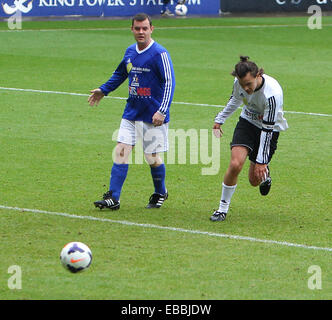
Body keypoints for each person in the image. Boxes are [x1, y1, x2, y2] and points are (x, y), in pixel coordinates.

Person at [88, 13, 175, 211]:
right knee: (121, 150)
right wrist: (104, 90)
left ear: (152, 29)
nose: (141, 32)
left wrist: (162, 111)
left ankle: (160, 191)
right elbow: (121, 73)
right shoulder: (130, 52)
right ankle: (113, 197)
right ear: (132, 30)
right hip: (131, 113)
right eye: (137, 28)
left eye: (145, 28)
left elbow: (170, 83)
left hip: (154, 117)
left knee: (152, 158)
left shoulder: (160, 53)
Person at [210, 56, 288, 222]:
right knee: (235, 163)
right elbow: (235, 100)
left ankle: (265, 174)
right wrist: (219, 119)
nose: (246, 88)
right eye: (242, 84)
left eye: (249, 84)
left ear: (258, 76)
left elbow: (267, 130)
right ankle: (222, 209)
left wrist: (261, 161)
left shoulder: (272, 94)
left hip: (269, 129)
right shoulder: (239, 84)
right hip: (247, 122)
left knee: (254, 180)